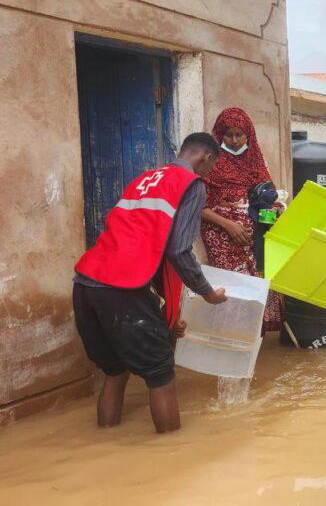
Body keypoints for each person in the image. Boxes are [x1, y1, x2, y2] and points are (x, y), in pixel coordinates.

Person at [72, 133, 227, 433]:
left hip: (85, 282)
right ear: (206, 159)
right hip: (122, 287)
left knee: (115, 372)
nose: (208, 173)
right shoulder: (191, 184)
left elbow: (139, 240)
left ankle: (104, 440)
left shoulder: (144, 179)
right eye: (210, 167)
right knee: (161, 375)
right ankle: (171, 456)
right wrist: (207, 293)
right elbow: (179, 249)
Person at [200, 107, 284, 333]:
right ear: (219, 135)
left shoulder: (256, 160)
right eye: (229, 135)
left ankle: (255, 348)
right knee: (234, 291)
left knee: (257, 289)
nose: (235, 140)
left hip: (254, 238)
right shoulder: (209, 163)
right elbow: (198, 207)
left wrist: (272, 217)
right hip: (222, 238)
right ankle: (233, 340)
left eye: (240, 134)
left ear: (249, 134)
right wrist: (229, 225)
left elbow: (266, 198)